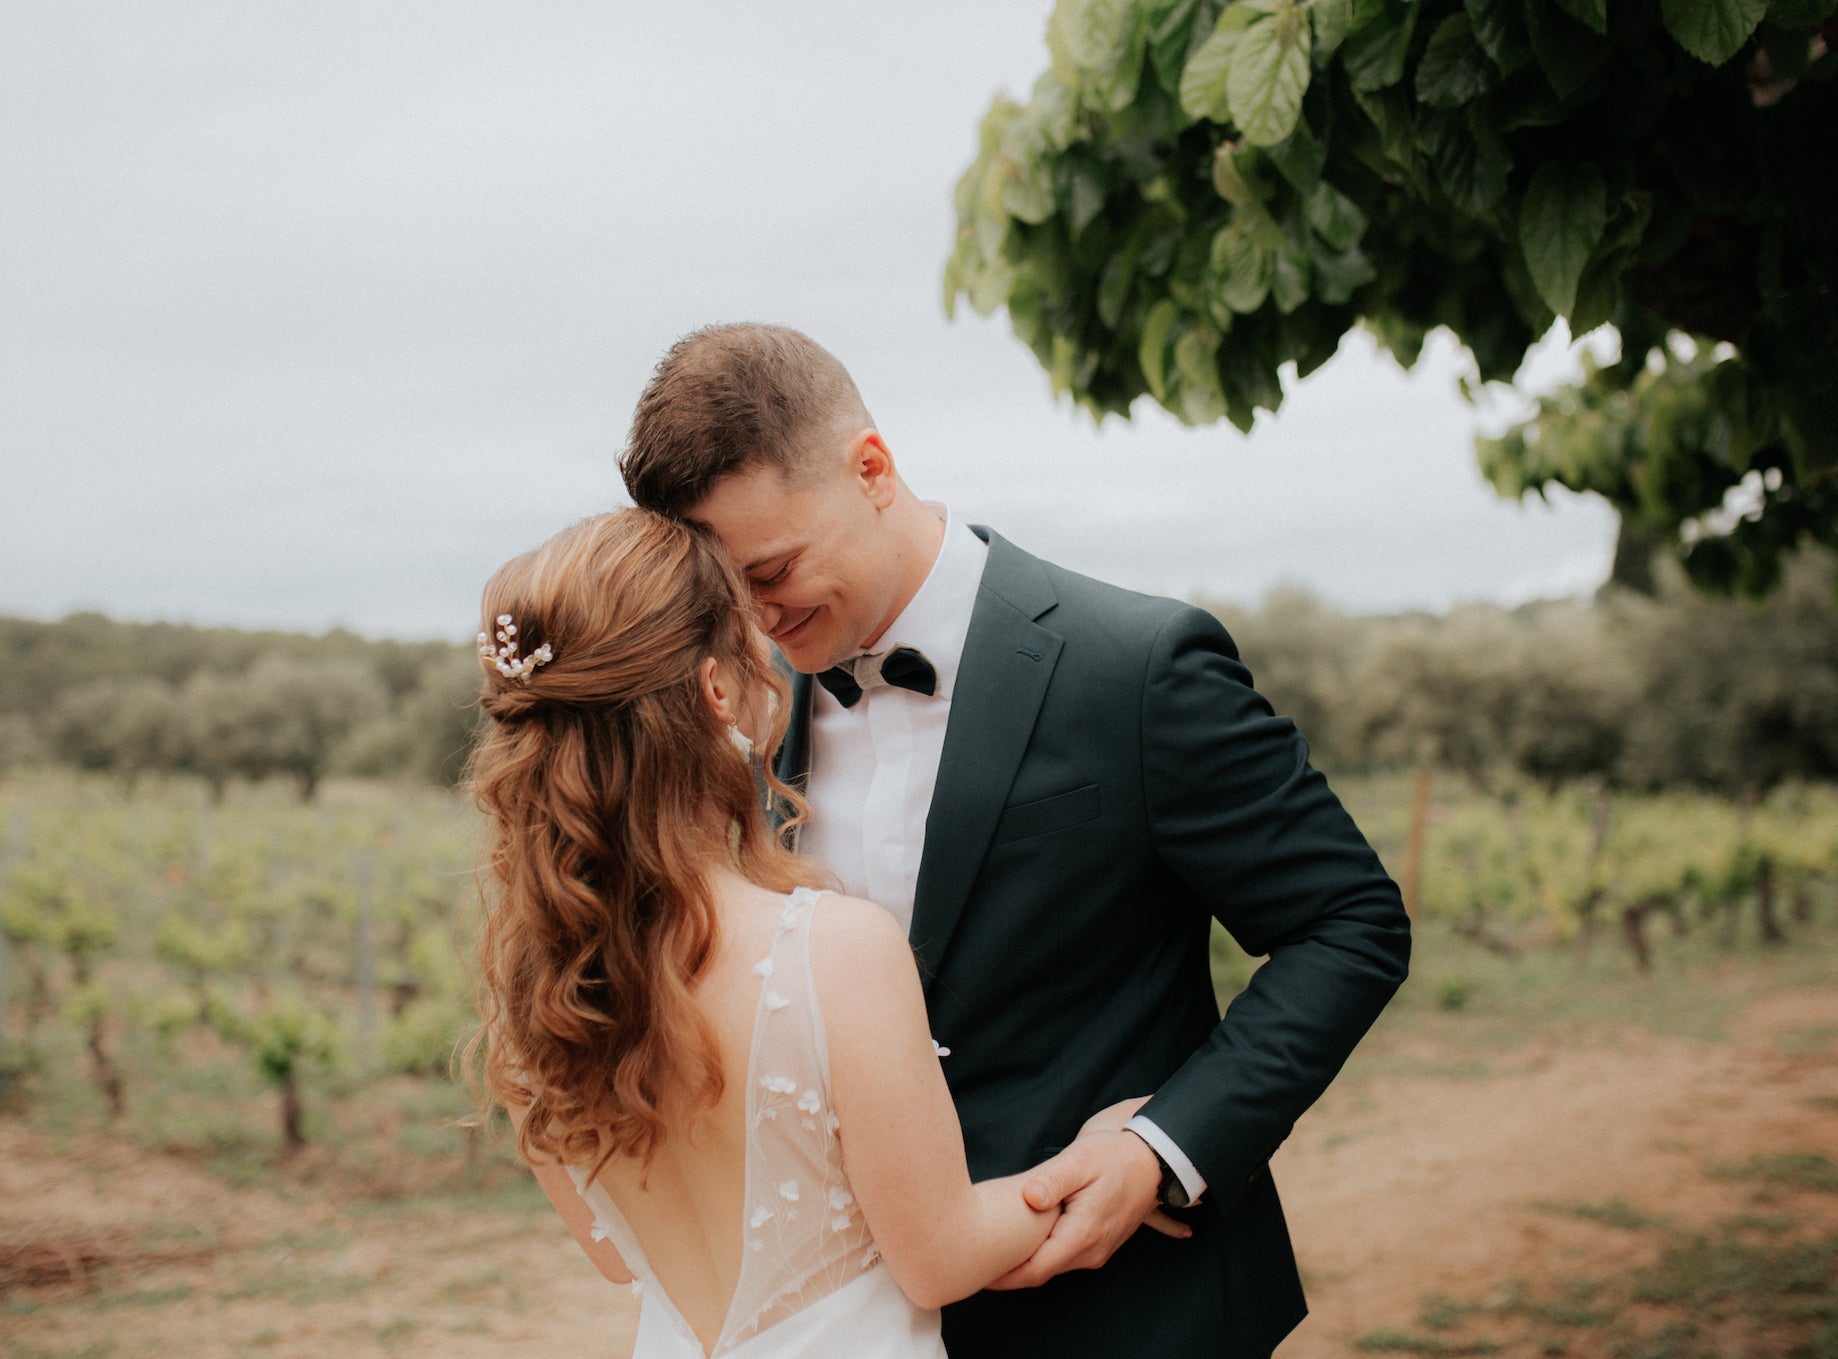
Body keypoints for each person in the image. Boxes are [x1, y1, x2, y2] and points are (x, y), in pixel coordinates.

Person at [619, 323, 1413, 1359]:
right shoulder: (743, 708)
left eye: (770, 568)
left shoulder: (1136, 667)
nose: (755, 617)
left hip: (1127, 1312)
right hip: (861, 1321)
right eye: (725, 591)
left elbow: (1348, 921)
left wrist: (1161, 1150)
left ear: (871, 470)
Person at [466, 508, 1126, 1358]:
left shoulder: (536, 989)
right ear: (714, 689)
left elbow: (613, 1253)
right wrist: (1101, 1157)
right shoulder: (835, 949)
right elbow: (940, 1258)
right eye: (751, 640)